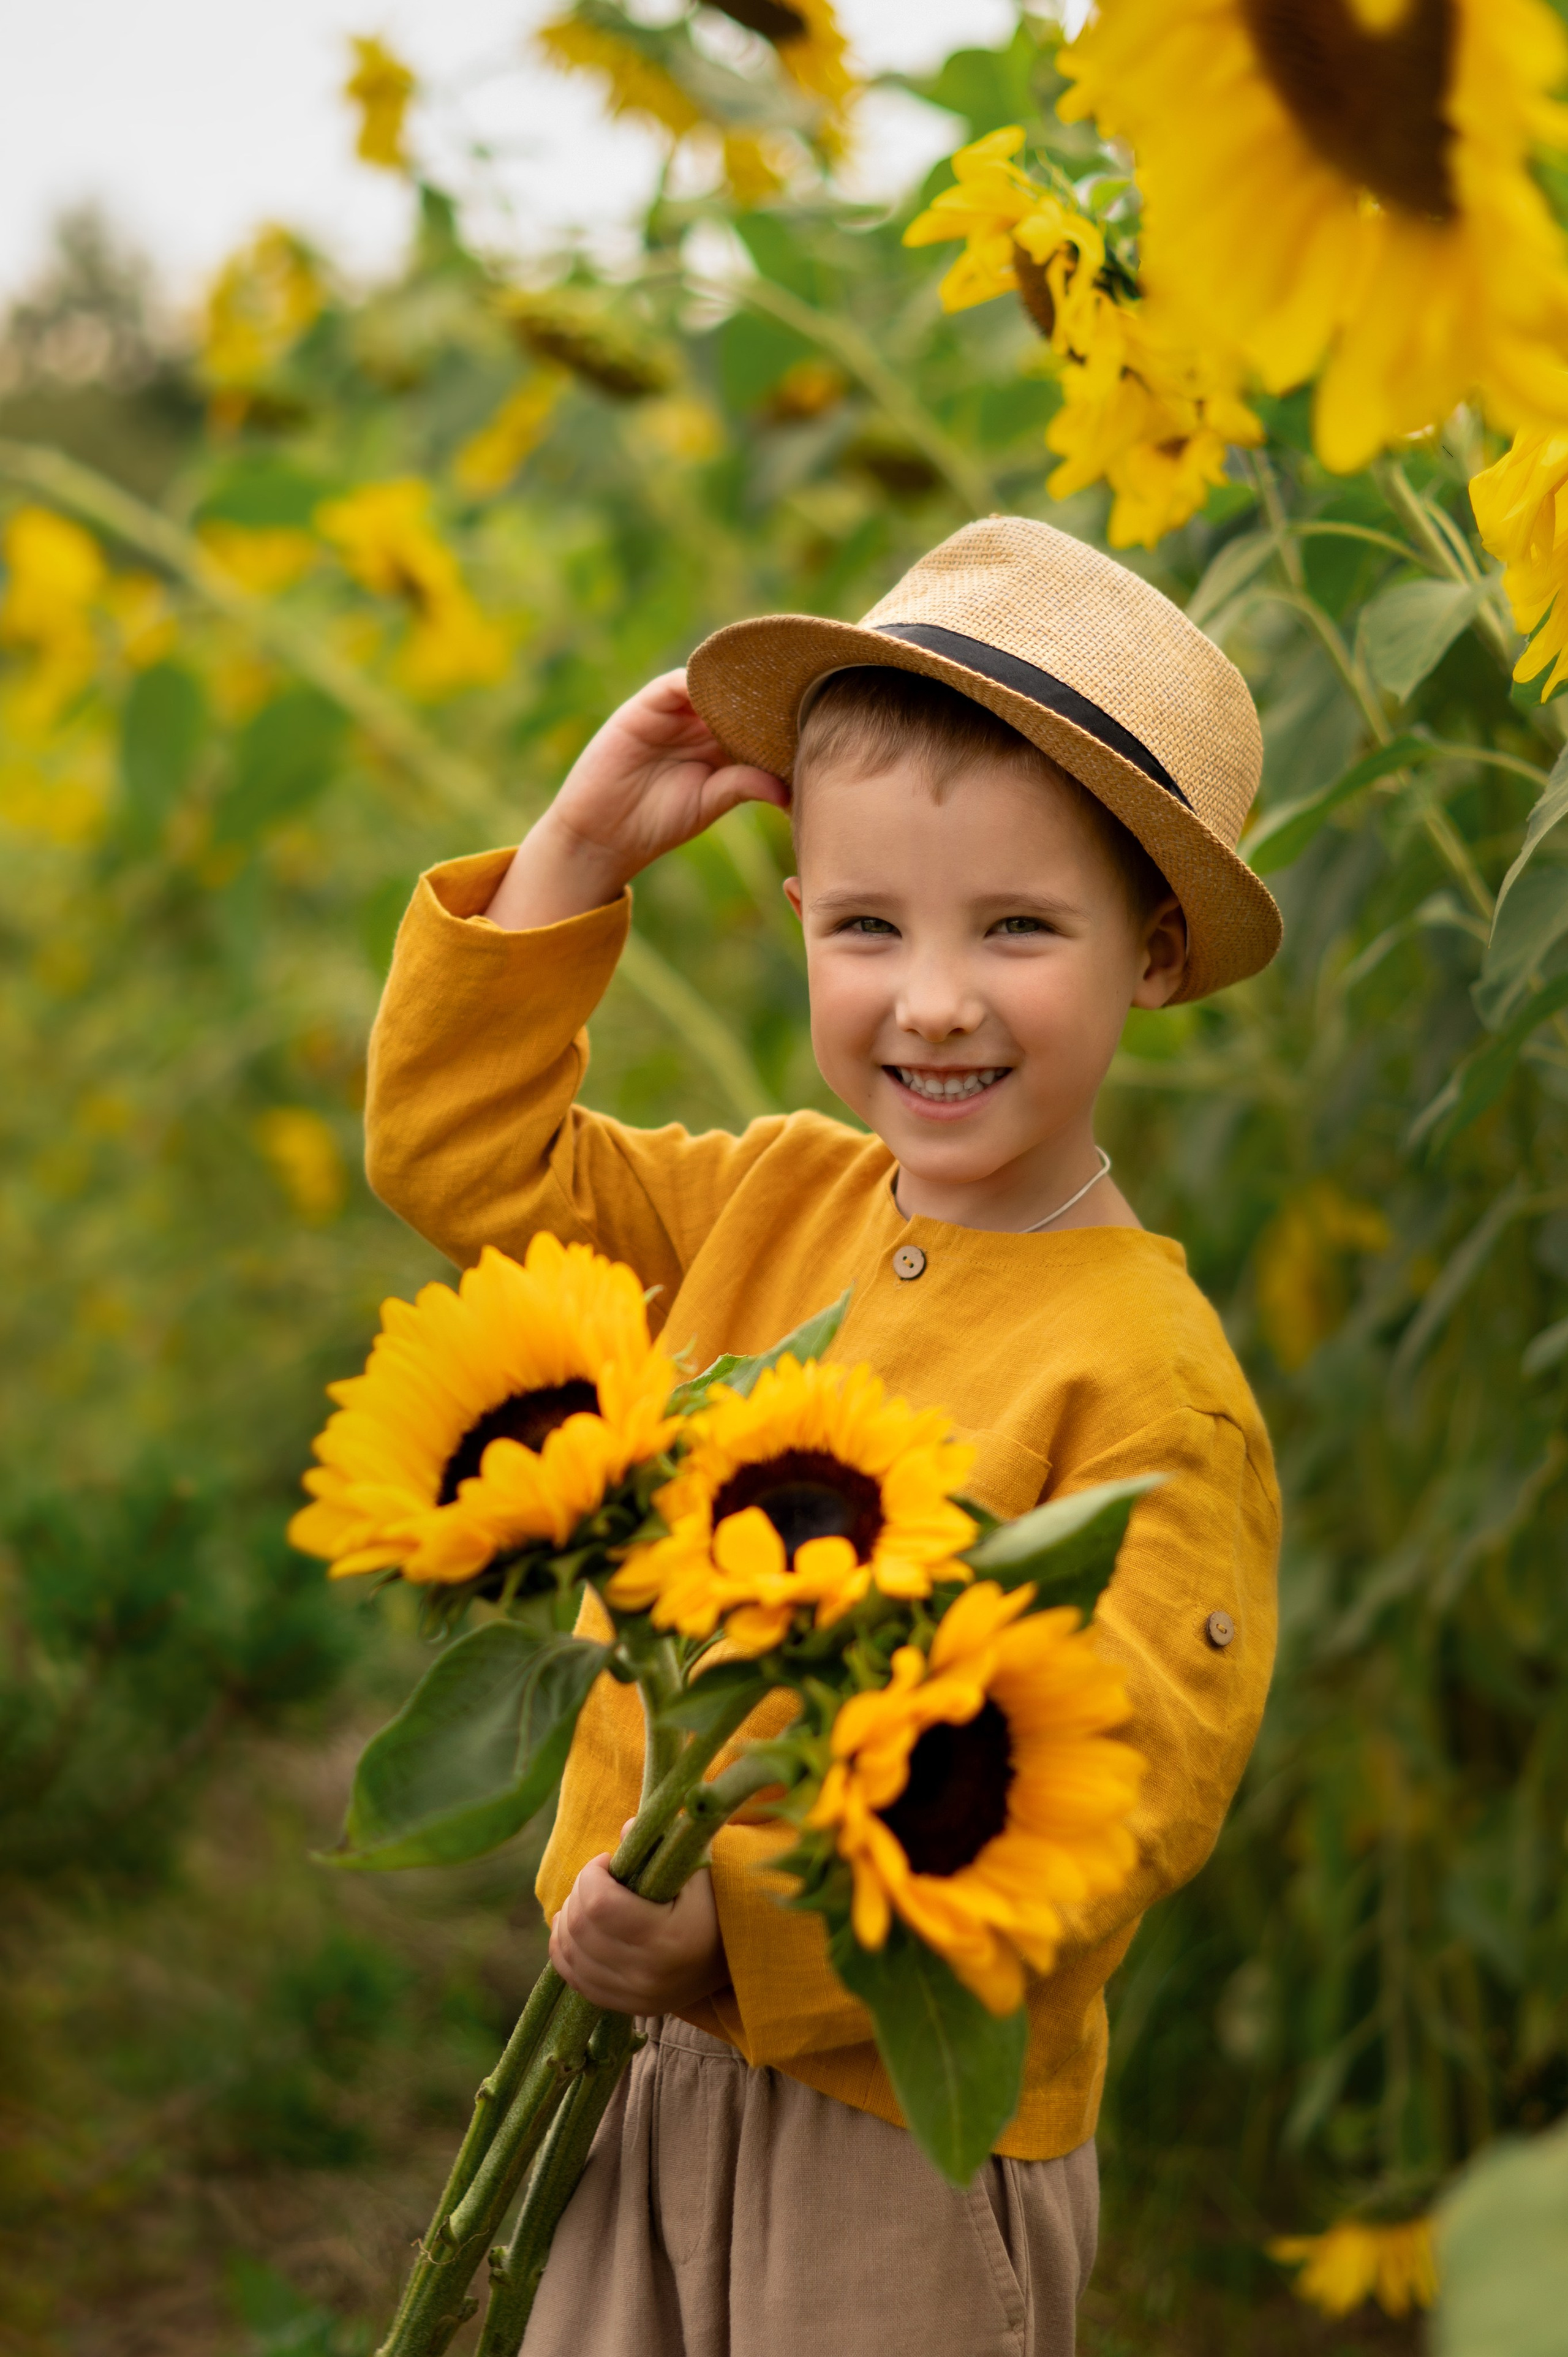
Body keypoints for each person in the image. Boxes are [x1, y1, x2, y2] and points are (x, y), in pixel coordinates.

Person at [364, 516, 1283, 2356]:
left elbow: (1109, 1821)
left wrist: (740, 1937)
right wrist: (579, 850)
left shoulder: (1150, 1384)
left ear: (1156, 948)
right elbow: (465, 1162)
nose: (930, 1000)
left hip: (904, 2130)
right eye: (869, 925)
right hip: (626, 2075)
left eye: (1018, 928)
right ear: (798, 915)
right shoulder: (764, 1204)